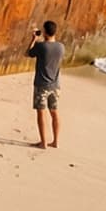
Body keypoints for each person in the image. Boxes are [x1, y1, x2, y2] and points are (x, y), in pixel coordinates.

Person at [26, 20, 63, 148]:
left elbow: (28, 53)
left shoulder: (41, 46)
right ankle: (55, 141)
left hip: (42, 85)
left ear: (45, 32)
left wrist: (33, 39)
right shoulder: (61, 47)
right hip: (56, 85)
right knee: (54, 112)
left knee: (41, 113)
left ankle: (43, 142)